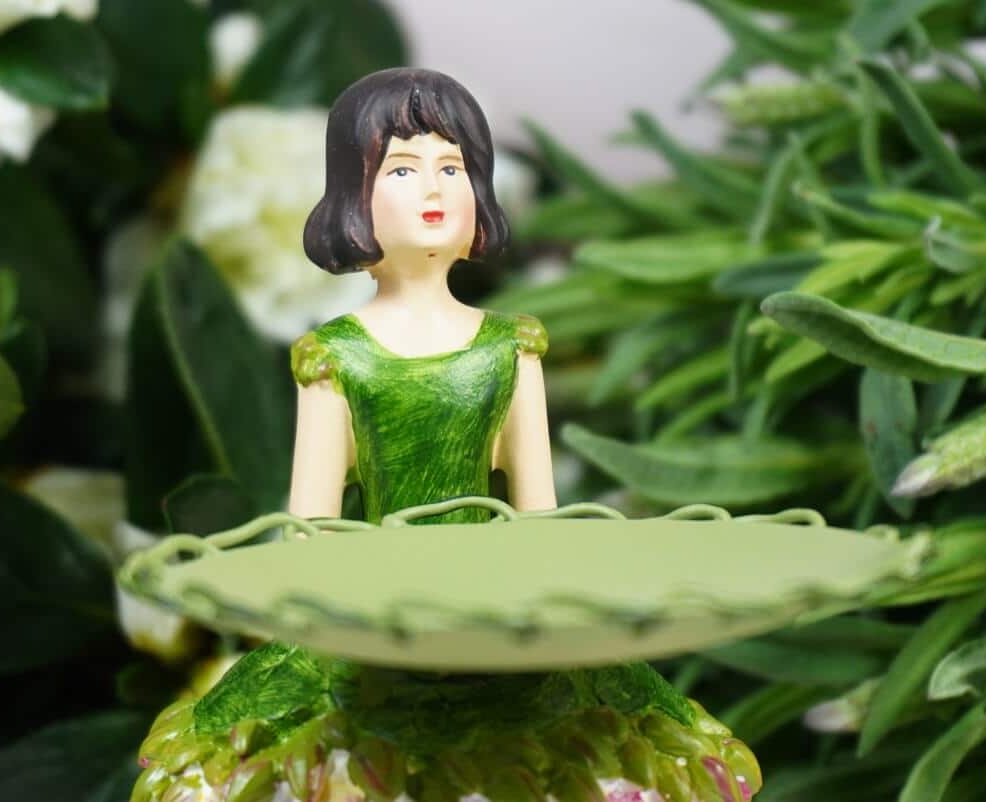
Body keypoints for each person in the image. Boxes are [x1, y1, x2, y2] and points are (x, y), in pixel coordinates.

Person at [130, 67, 761, 802]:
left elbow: (539, 514)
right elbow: (310, 525)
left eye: (452, 168)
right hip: (367, 624)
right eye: (402, 169)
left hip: (496, 618)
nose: (433, 189)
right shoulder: (335, 356)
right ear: (353, 197)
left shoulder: (511, 348)